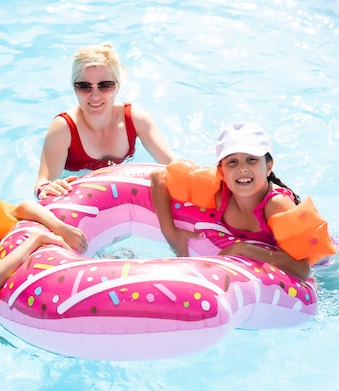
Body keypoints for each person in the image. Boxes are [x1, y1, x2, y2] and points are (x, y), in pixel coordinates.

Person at [150, 122, 312, 280]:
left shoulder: (276, 205)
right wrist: (170, 233)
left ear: (268, 166)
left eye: (251, 159)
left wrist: (244, 249)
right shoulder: (220, 193)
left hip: (324, 266)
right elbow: (160, 177)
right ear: (221, 171)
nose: (242, 168)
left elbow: (303, 269)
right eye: (232, 162)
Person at [35, 43, 176, 199]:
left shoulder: (135, 119)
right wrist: (48, 187)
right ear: (74, 88)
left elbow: (171, 163)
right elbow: (43, 182)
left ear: (118, 86)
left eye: (105, 86)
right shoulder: (64, 128)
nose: (95, 96)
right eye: (84, 86)